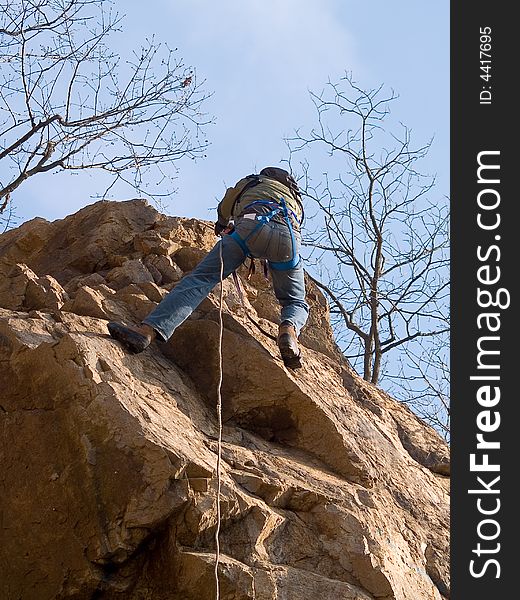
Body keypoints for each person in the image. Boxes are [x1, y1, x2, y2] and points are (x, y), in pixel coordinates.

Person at [107, 166, 309, 369]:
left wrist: (222, 224)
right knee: (295, 301)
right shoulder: (296, 203)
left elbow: (226, 206)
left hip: (249, 228)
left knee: (200, 280)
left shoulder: (254, 181)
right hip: (289, 240)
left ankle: (146, 332)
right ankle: (289, 331)